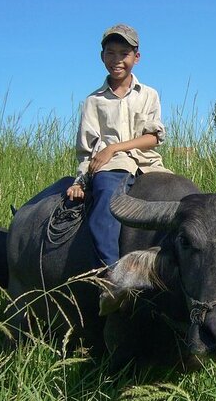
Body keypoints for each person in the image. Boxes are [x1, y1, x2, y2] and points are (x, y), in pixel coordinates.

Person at [66, 23, 170, 268]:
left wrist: (114, 147)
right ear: (102, 56)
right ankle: (111, 276)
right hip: (112, 166)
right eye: (110, 53)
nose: (117, 60)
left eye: (124, 54)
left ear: (136, 57)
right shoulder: (94, 101)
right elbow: (86, 150)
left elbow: (154, 137)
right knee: (104, 213)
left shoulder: (148, 94)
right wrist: (80, 181)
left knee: (184, 203)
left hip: (148, 163)